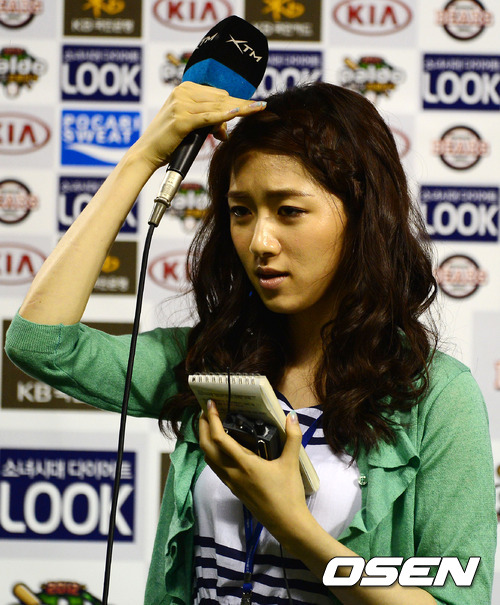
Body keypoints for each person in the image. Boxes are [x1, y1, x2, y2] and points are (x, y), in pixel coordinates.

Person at [5, 81, 497, 605]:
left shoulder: (435, 396)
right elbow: (41, 343)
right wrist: (141, 160)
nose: (260, 241)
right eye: (241, 211)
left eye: (289, 211)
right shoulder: (210, 360)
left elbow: (457, 600)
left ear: (363, 216)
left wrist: (293, 525)